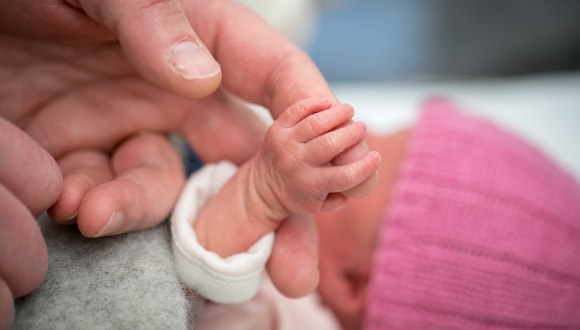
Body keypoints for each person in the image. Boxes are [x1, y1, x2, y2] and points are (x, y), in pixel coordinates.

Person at [0, 0, 378, 327]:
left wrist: (264, 194)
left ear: (354, 282)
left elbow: (208, 279)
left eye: (370, 163)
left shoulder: (297, 320)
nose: (365, 134)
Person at [172, 98, 580, 329]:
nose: (352, 133)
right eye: (379, 130)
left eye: (347, 175)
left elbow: (205, 305)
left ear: (350, 283)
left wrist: (259, 196)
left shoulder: (288, 316)